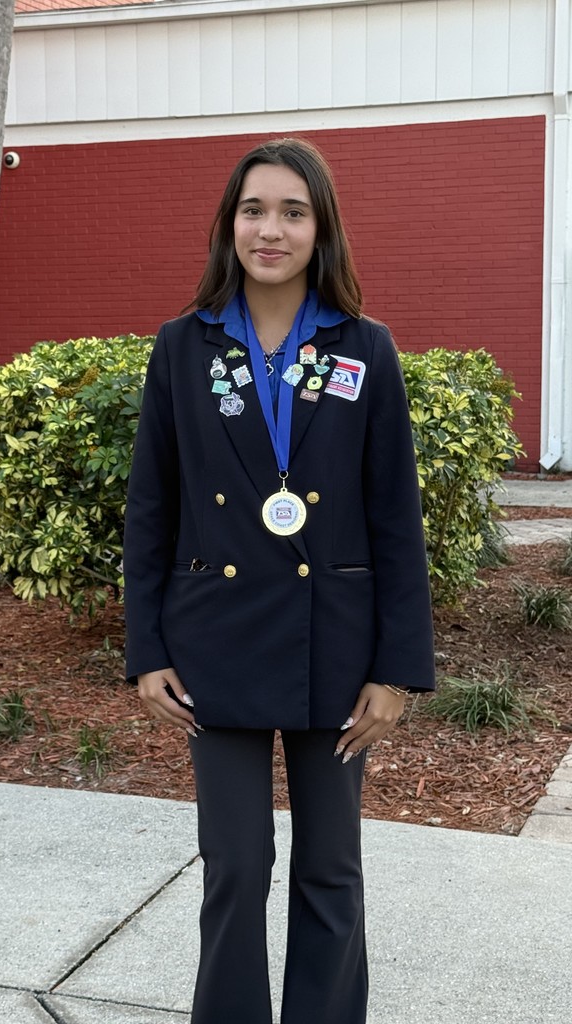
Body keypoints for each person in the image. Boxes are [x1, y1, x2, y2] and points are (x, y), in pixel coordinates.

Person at [123, 137, 435, 1024]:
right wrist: (147, 650)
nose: (271, 229)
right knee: (235, 865)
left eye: (293, 212)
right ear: (229, 225)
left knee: (331, 868)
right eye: (254, 210)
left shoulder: (363, 347)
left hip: (335, 644)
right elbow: (152, 508)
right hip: (213, 642)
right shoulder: (183, 346)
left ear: (321, 228)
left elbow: (394, 517)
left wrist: (397, 670)